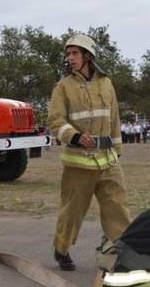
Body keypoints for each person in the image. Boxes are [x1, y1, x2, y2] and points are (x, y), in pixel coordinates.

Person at [47, 34, 131, 271]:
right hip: (78, 163)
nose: (70, 58)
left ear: (87, 56)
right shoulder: (63, 87)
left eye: (75, 53)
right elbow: (55, 120)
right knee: (72, 211)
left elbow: (114, 118)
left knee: (118, 207)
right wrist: (73, 135)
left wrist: (118, 149)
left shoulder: (106, 83)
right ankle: (61, 249)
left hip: (108, 161)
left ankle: (120, 250)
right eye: (68, 53)